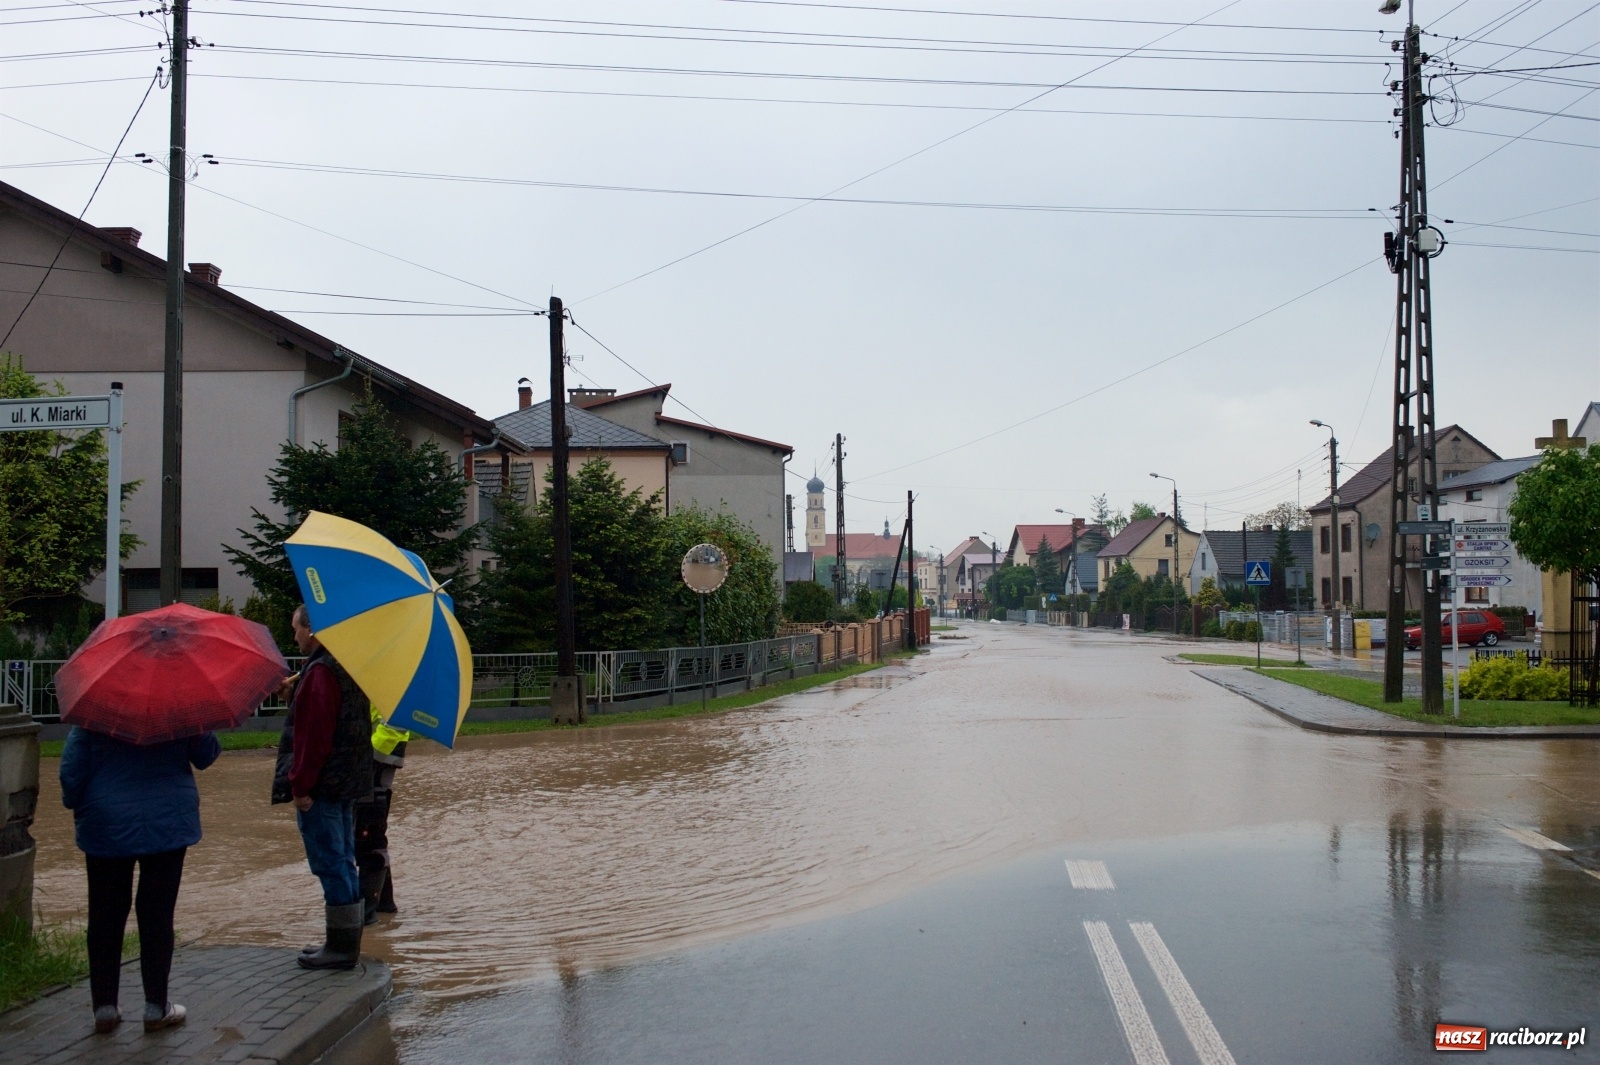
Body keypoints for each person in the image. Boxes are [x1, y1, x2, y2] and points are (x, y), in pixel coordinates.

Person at [59, 726, 220, 1035]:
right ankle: (155, 1007)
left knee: (105, 914)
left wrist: (80, 803)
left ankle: (104, 1008)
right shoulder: (179, 710)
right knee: (157, 914)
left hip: (106, 820)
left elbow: (71, 771)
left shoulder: (96, 713)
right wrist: (198, 721)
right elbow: (206, 755)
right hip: (168, 821)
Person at [273, 604, 374, 970]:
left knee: (330, 862)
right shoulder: (339, 666)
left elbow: (314, 738)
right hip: (343, 782)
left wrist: (300, 786)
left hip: (323, 787)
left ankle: (342, 948)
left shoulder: (321, 673)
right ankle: (343, 941)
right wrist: (293, 694)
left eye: (296, 628)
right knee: (342, 860)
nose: (294, 635)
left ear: (312, 630)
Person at [354, 710, 410, 924]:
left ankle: (369, 912)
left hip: (378, 755)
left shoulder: (395, 681)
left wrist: (367, 757)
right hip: (368, 753)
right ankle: (383, 904)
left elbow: (396, 723)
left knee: (369, 831)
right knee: (368, 830)